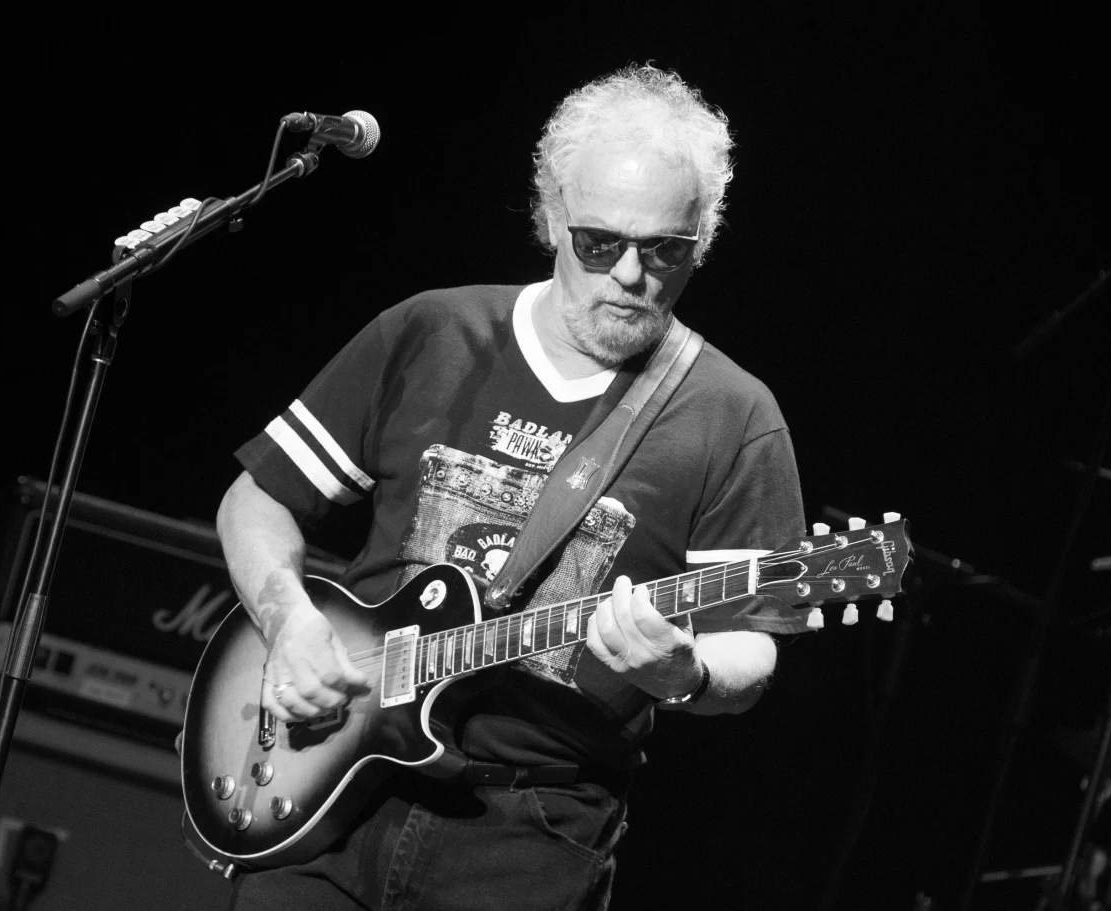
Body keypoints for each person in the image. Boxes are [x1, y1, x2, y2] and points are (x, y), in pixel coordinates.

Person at [217, 63, 808, 910]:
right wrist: (289, 620)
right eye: (599, 242)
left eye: (665, 250)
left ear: (701, 239)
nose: (630, 274)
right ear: (552, 218)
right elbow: (258, 498)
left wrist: (685, 672)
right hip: (329, 782)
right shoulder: (434, 329)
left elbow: (750, 643)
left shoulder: (734, 415)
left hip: (531, 834)